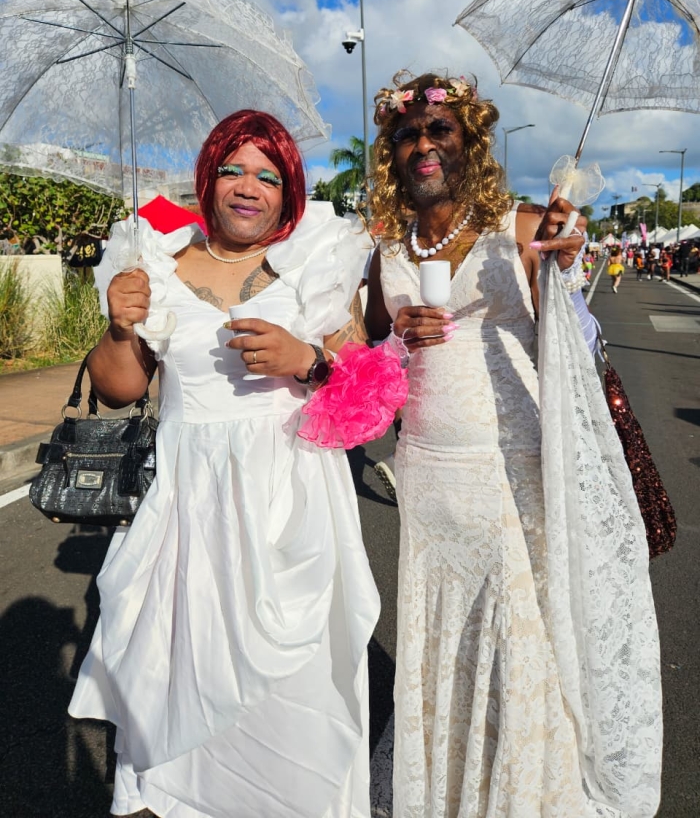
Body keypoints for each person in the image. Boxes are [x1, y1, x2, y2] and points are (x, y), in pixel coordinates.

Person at [364, 71, 661, 817]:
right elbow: (372, 354)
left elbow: (565, 311)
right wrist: (398, 333)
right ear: (392, 152)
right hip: (427, 471)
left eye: (440, 130)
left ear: (469, 141)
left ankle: (523, 791)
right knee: (444, 629)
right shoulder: (387, 248)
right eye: (409, 133)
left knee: (515, 628)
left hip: (509, 464)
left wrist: (565, 253)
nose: (423, 144)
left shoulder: (518, 228)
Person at [68, 110, 380, 818]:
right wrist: (119, 326)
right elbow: (119, 387)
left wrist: (310, 361)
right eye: (234, 169)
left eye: (268, 176)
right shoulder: (156, 261)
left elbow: (370, 396)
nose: (249, 187)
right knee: (182, 682)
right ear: (208, 179)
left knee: (292, 697)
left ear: (288, 192)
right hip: (188, 514)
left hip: (290, 509)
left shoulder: (315, 263)